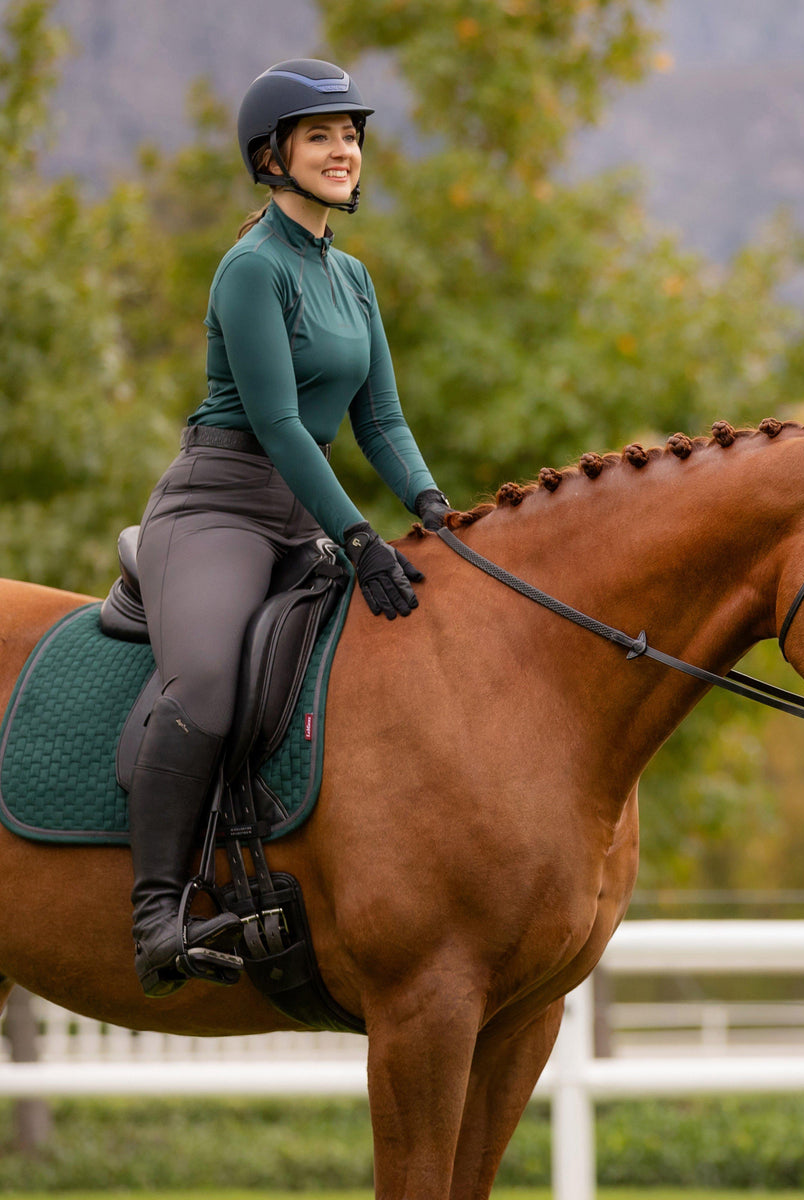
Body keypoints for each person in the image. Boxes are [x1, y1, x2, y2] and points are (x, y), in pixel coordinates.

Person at [127, 59, 452, 998]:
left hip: (302, 512)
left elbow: (379, 420)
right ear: (272, 157)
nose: (344, 150)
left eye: (351, 135)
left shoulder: (352, 277)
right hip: (219, 506)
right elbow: (276, 424)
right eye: (321, 136)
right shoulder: (251, 268)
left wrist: (433, 507)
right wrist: (358, 536)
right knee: (207, 686)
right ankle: (156, 915)